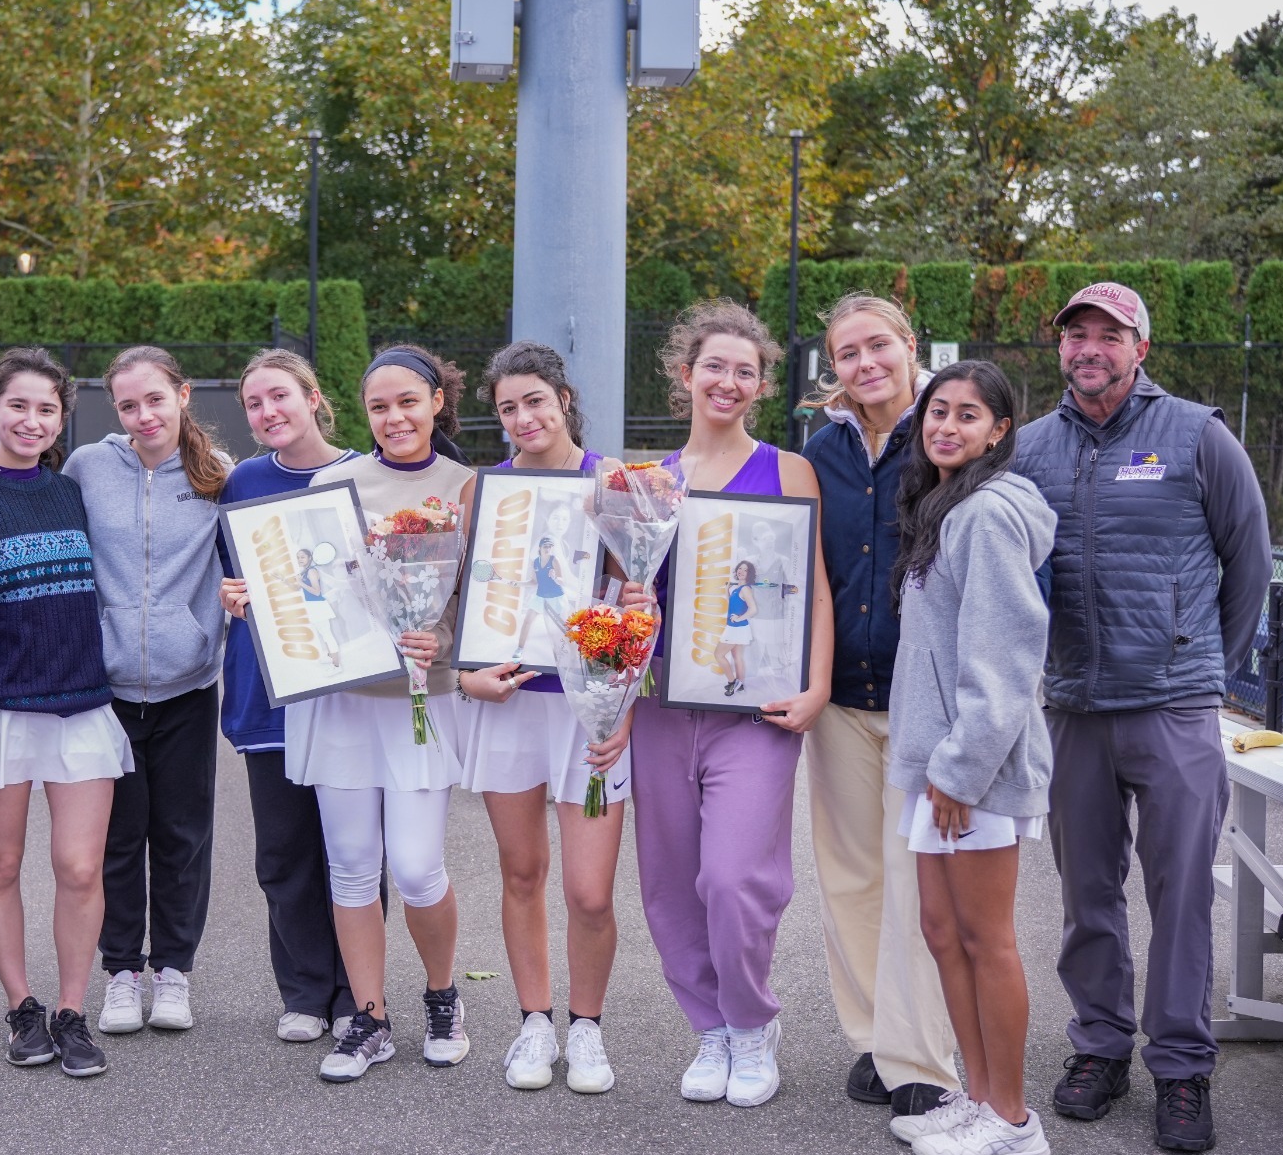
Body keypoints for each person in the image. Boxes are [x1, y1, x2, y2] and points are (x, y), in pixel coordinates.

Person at [1013, 282, 1271, 1154]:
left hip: (1174, 709)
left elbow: (1250, 562)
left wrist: (1201, 666)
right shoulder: (1029, 450)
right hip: (1074, 707)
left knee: (1183, 895)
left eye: (1108, 335)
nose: (1089, 347)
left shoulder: (1199, 435)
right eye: (1075, 334)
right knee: (1087, 894)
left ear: (1141, 348)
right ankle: (1099, 1046)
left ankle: (1182, 1065)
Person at [223, 345, 476, 1082]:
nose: (394, 417)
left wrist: (446, 640)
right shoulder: (332, 484)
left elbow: (488, 603)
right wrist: (251, 600)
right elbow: (304, 585)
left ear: (435, 402)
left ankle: (442, 995)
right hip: (338, 702)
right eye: (378, 406)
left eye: (407, 401)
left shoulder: (467, 487)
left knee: (421, 868)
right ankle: (368, 1018)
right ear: (362, 414)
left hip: (420, 704)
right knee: (352, 867)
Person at [624, 302, 834, 1108]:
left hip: (757, 706)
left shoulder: (788, 470)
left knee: (736, 876)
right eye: (715, 365)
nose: (729, 381)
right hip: (665, 707)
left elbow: (811, 588)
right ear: (686, 375)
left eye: (746, 370)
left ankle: (752, 1021)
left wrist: (815, 686)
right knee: (672, 880)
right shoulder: (649, 482)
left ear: (761, 384)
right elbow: (623, 600)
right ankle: (708, 1027)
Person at [0, 348, 130, 1081]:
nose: (32, 420)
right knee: (0, 862)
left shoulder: (71, 494)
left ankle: (72, 1010)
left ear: (59, 419)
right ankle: (22, 1005)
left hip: (80, 710)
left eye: (47, 409)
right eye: (19, 405)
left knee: (79, 867)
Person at [885, 360, 1057, 1155]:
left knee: (987, 940)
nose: (946, 426)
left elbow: (1007, 656)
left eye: (967, 415)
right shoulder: (944, 508)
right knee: (942, 932)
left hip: (973, 773)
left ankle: (1015, 1120)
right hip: (939, 767)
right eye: (937, 410)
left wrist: (960, 770)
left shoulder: (989, 514)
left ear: (999, 432)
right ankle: (980, 1095)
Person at [799, 292, 960, 1127]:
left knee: (915, 881)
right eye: (847, 353)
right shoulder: (820, 449)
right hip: (839, 701)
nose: (864, 365)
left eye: (877, 347)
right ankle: (872, 1034)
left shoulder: (946, 432)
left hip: (920, 698)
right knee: (851, 878)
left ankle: (921, 1056)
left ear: (908, 343)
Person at [453, 340, 628, 1095]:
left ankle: (586, 1028)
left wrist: (622, 702)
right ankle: (534, 1021)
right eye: (507, 408)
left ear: (563, 397)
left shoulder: (612, 483)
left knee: (590, 892)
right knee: (522, 870)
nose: (523, 417)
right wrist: (464, 674)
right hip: (512, 700)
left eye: (534, 400)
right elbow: (452, 603)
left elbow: (640, 599)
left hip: (588, 707)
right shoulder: (481, 492)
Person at [64, 347, 229, 1038]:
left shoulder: (219, 477)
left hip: (187, 686)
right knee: (117, 839)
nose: (144, 415)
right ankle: (121, 973)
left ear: (182, 394)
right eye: (128, 405)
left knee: (182, 836)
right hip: (105, 693)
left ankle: (174, 972)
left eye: (155, 399)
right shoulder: (87, 469)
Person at [216, 349, 367, 1041]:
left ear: (313, 396)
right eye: (254, 403)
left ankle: (357, 993)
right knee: (283, 853)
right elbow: (228, 580)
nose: (268, 412)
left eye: (280, 396)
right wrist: (231, 597)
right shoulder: (242, 482)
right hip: (268, 700)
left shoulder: (363, 475)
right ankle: (306, 992)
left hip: (349, 698)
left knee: (354, 851)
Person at [720, 561, 757, 696]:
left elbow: (753, 609)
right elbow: (733, 604)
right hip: (736, 628)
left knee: (718, 655)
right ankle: (740, 684)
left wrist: (739, 618)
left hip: (736, 628)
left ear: (749, 574)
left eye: (745, 570)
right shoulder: (737, 589)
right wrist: (726, 591)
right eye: (740, 568)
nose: (741, 571)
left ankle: (732, 682)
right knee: (737, 657)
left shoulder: (745, 589)